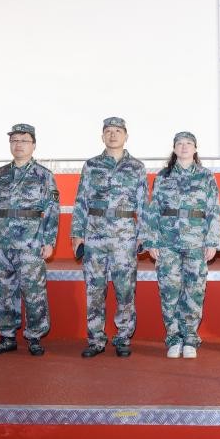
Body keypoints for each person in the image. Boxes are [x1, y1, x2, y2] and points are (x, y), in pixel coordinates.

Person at [0, 124, 60, 357]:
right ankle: (7, 337)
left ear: (33, 145)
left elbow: (52, 210)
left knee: (33, 291)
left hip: (31, 243)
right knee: (2, 291)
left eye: (24, 140)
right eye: (14, 140)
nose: (18, 144)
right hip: (1, 243)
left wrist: (49, 240)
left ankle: (34, 337)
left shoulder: (44, 175)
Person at [71, 116, 147, 358]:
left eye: (117, 131)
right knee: (94, 290)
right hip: (94, 234)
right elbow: (81, 201)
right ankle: (95, 340)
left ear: (126, 136)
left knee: (125, 290)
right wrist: (77, 234)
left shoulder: (137, 167)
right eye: (108, 131)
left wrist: (143, 235)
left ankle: (123, 338)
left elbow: (144, 204)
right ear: (102, 136)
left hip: (125, 237)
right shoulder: (91, 165)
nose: (113, 135)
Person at [146, 132, 220, 358]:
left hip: (197, 242)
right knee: (169, 290)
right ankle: (173, 337)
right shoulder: (163, 176)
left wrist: (213, 241)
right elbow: (153, 210)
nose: (184, 146)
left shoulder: (206, 176)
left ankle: (190, 338)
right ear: (174, 149)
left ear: (195, 149)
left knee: (194, 290)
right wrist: (152, 240)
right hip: (167, 242)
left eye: (189, 143)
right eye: (180, 143)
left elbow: (213, 210)